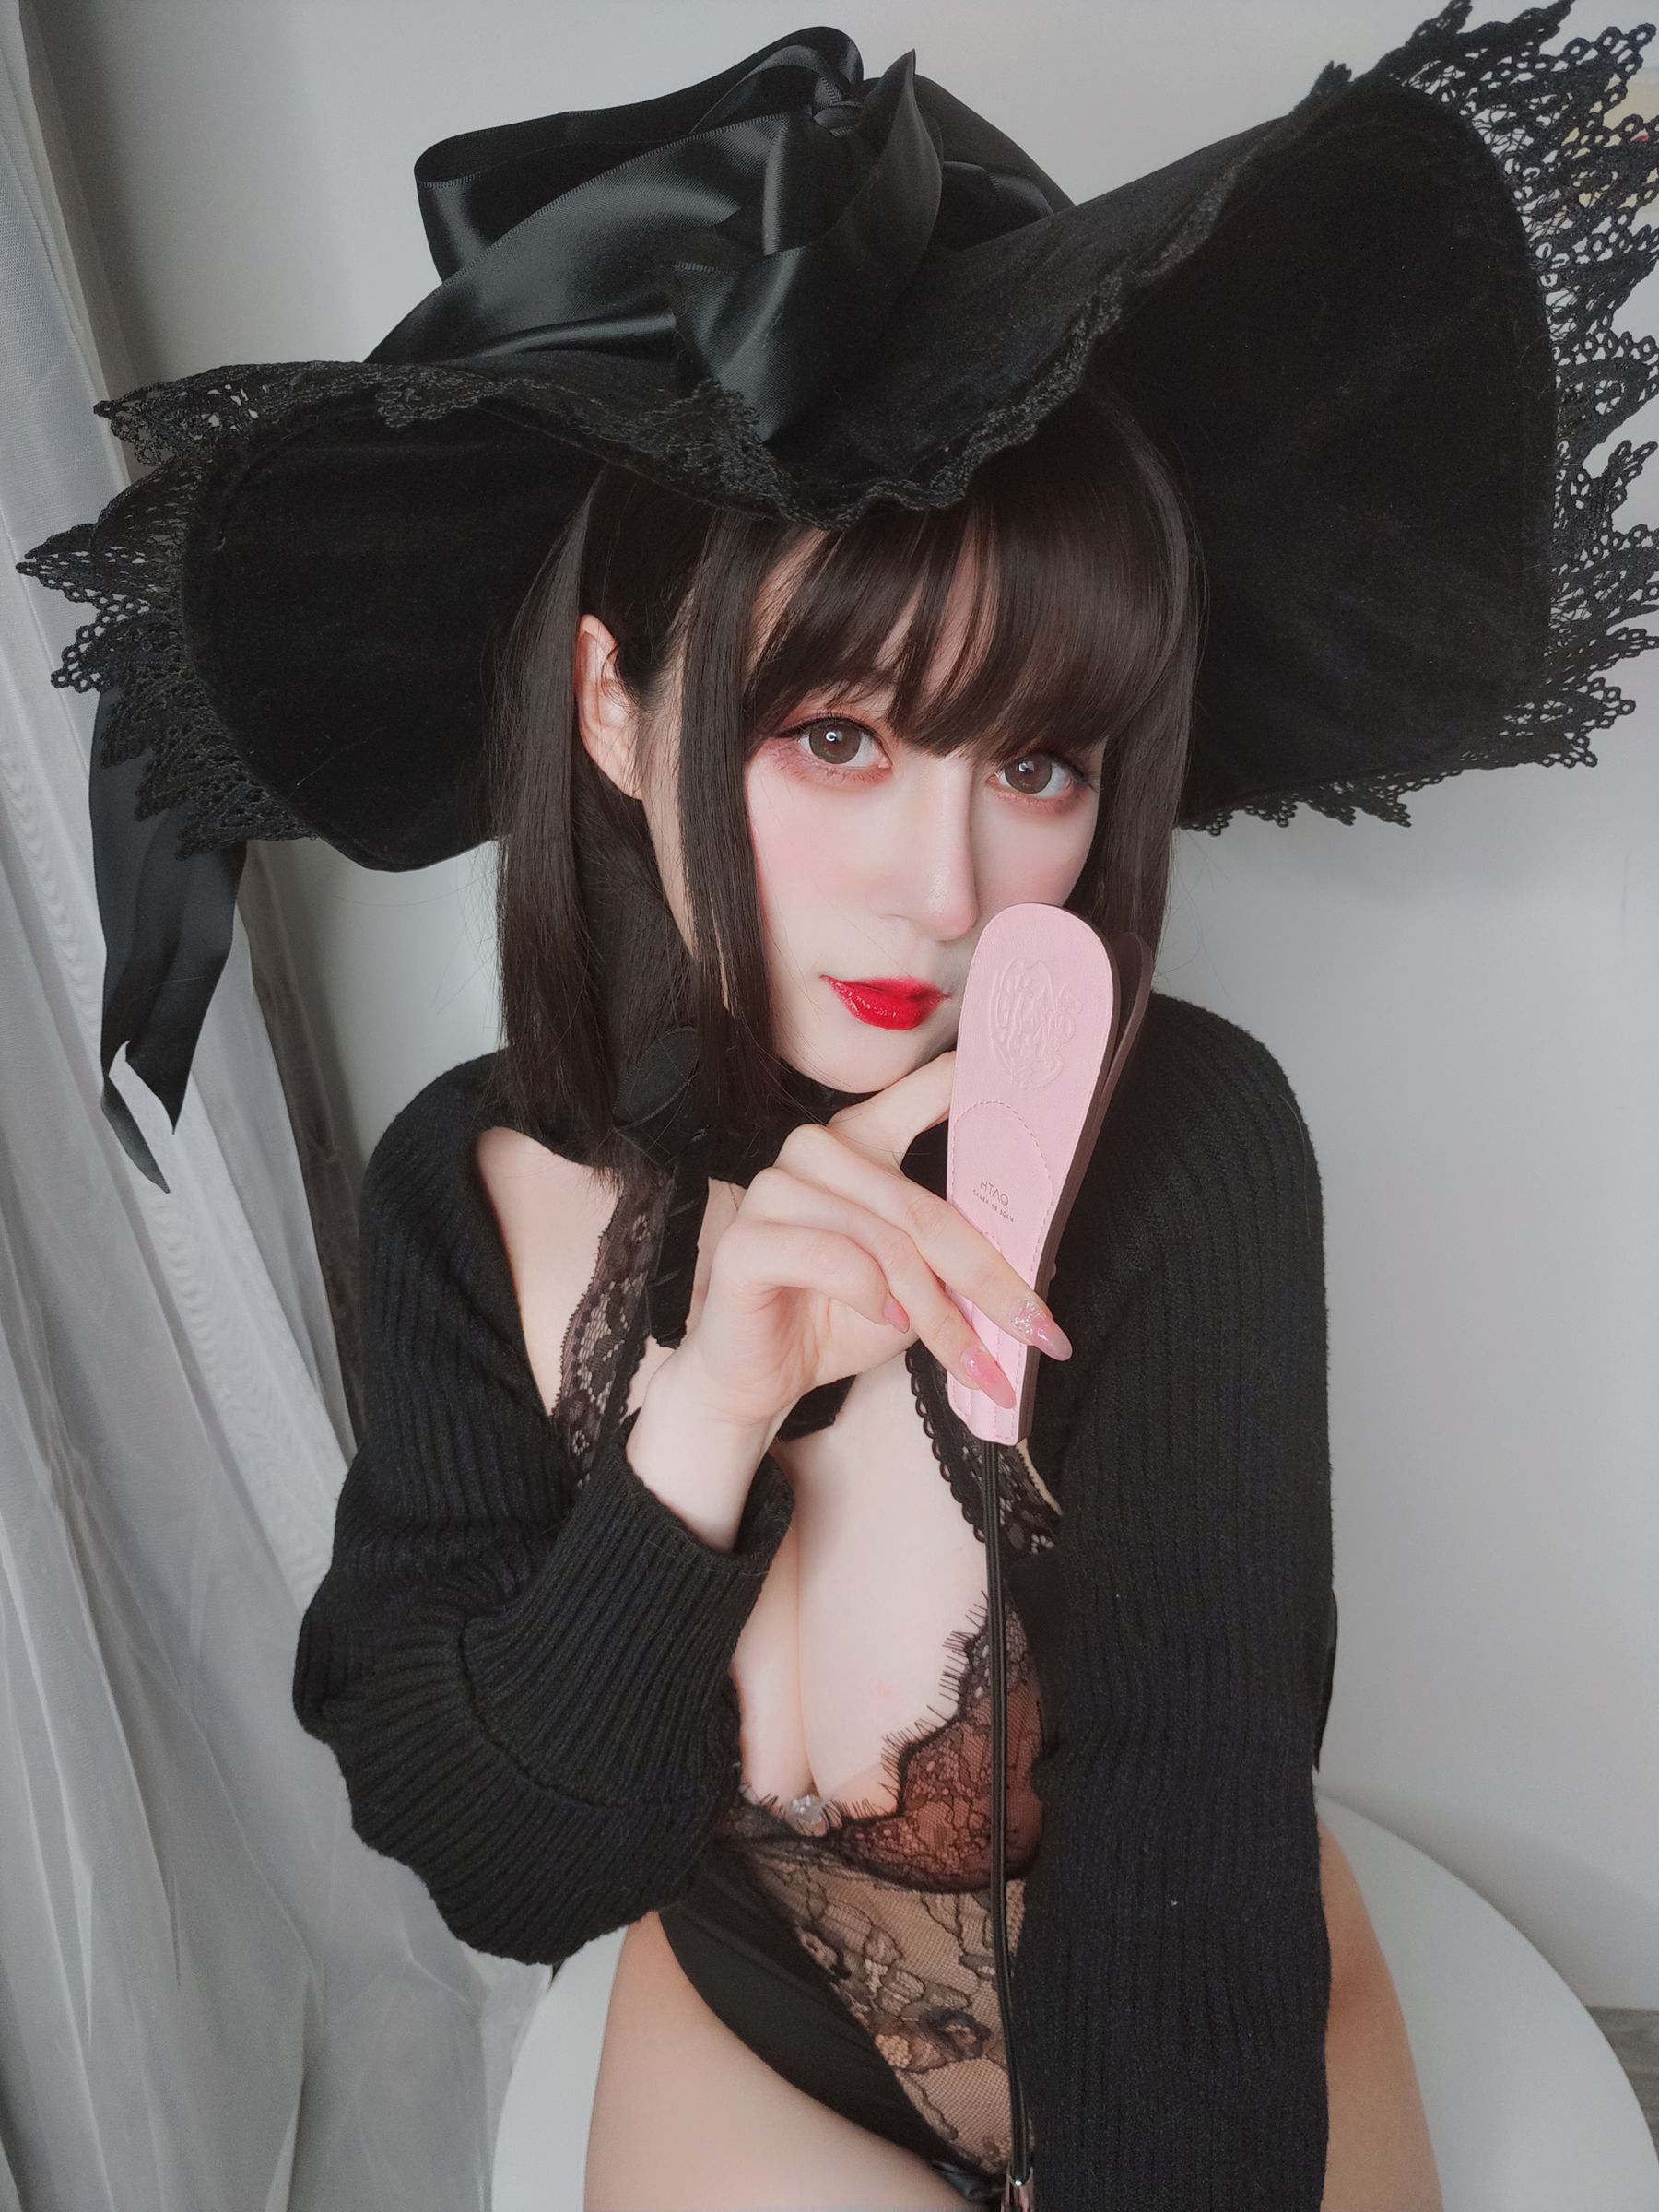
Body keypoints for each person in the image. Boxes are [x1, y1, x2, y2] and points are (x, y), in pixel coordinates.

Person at [18, 9, 1659, 2207]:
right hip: (759, 2049)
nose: (949, 886)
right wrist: (701, 1418)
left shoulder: (1192, 1149)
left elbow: (1190, 1804)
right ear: (618, 709)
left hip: (1193, 2016)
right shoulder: (465, 1193)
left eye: (1037, 761)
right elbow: (506, 1873)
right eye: (839, 739)